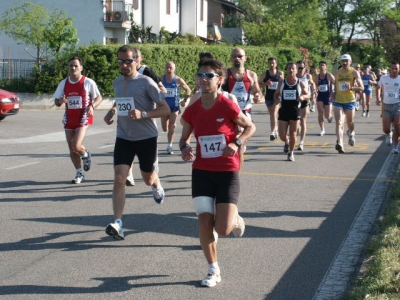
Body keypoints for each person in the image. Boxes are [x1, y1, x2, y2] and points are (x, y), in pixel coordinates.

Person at [179, 58, 256, 287]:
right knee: (204, 223)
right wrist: (184, 147)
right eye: (200, 75)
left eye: (209, 76)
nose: (203, 79)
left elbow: (250, 126)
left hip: (227, 172)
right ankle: (213, 269)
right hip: (202, 172)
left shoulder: (227, 104)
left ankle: (234, 218)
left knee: (222, 229)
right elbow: (183, 138)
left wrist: (238, 142)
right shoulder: (192, 110)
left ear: (219, 80)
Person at [103, 45, 170, 240]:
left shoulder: (146, 82)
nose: (124, 65)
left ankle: (157, 185)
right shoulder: (117, 82)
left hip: (146, 138)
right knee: (119, 178)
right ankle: (118, 223)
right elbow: (120, 101)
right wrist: (112, 111)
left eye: (128, 61)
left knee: (148, 177)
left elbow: (165, 108)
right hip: (124, 137)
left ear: (137, 61)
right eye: (121, 61)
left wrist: (144, 114)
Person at [54, 56, 102, 184]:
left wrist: (92, 106)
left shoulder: (88, 82)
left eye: (76, 66)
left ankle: (86, 154)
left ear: (81, 67)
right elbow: (56, 102)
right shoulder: (64, 83)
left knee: (76, 145)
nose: (73, 68)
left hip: (83, 117)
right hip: (69, 118)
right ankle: (79, 172)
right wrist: (60, 101)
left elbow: (98, 98)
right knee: (71, 149)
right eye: (71, 65)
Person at [123, 49, 167, 186]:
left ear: (139, 59)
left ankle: (153, 169)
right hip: (127, 120)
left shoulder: (147, 72)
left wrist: (155, 95)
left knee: (148, 162)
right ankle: (128, 174)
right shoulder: (124, 74)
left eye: (135, 58)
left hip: (146, 116)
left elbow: (162, 88)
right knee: (127, 144)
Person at [274, 62, 310, 161]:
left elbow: (308, 95)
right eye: (289, 68)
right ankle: (286, 141)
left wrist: (303, 96)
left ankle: (291, 152)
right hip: (284, 110)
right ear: (286, 70)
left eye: (293, 68)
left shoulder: (300, 83)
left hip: (295, 111)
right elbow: (276, 94)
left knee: (293, 132)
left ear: (296, 70)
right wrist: (276, 98)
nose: (291, 70)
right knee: (282, 135)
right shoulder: (281, 83)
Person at [331, 54, 364, 153]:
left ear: (350, 61)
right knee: (339, 122)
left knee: (350, 122)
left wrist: (351, 88)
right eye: (343, 61)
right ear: (340, 62)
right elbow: (335, 86)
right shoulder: (336, 73)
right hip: (338, 101)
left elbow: (362, 88)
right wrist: (333, 92)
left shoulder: (354, 73)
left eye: (347, 61)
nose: (344, 63)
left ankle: (352, 132)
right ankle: (340, 143)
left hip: (350, 101)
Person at [161, 61, 191, 154]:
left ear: (174, 69)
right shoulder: (161, 79)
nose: (169, 69)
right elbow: (155, 89)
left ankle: (170, 146)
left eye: (171, 68)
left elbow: (188, 89)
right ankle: (170, 128)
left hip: (174, 107)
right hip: (164, 107)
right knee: (164, 128)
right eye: (167, 67)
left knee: (171, 126)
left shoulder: (178, 80)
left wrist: (184, 100)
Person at [376, 62, 400, 154]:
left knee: (397, 126)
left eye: (396, 69)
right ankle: (388, 134)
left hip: (397, 105)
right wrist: (378, 98)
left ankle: (395, 146)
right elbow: (378, 87)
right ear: (390, 69)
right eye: (392, 68)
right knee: (386, 128)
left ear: (399, 70)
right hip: (386, 105)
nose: (394, 70)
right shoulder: (384, 78)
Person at [259, 57, 284, 141]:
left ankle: (272, 132)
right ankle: (275, 129)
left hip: (277, 98)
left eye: (273, 63)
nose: (271, 65)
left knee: (273, 113)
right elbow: (258, 85)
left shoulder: (280, 73)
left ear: (276, 64)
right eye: (270, 63)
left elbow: (283, 84)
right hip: (268, 97)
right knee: (272, 115)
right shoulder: (265, 74)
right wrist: (266, 83)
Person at [296, 60, 316, 151]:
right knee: (296, 121)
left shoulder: (307, 76)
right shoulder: (293, 76)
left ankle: (301, 143)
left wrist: (314, 90)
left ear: (304, 68)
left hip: (305, 99)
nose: (299, 70)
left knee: (303, 120)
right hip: (295, 100)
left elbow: (312, 84)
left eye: (301, 68)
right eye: (298, 68)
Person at [316, 61, 335, 136]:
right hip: (320, 96)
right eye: (320, 65)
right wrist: (315, 90)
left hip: (328, 97)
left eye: (323, 65)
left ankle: (329, 117)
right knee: (320, 113)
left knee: (327, 115)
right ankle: (322, 129)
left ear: (326, 67)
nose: (322, 66)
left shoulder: (329, 75)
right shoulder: (317, 77)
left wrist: (333, 92)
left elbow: (335, 83)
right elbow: (316, 85)